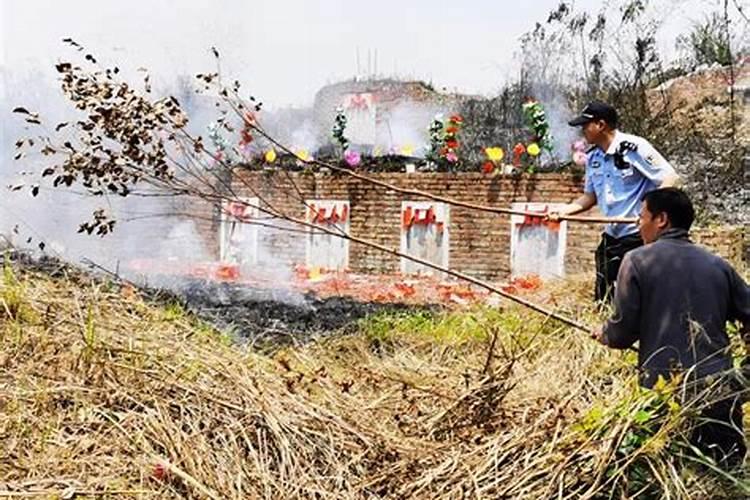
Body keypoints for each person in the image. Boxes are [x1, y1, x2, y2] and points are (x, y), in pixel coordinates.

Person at [594, 188, 749, 468]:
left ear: (661, 219)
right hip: (720, 391)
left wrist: (604, 333)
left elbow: (621, 334)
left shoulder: (636, 261)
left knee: (667, 472)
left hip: (664, 395)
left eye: (642, 217)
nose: (639, 225)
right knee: (724, 473)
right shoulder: (718, 265)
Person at [550, 101, 681, 302]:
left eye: (586, 125)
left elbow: (670, 178)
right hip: (613, 236)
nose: (582, 130)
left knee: (639, 298)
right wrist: (563, 211)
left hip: (637, 236)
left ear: (601, 125)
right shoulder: (593, 157)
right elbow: (589, 197)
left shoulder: (634, 147)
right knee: (606, 297)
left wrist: (649, 215)